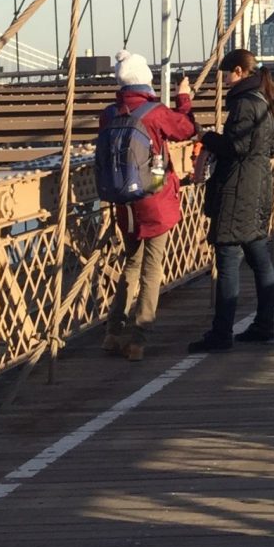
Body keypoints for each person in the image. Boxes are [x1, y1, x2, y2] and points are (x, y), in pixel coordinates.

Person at [96, 51, 198, 362]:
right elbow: (187, 130)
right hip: (154, 201)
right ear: (145, 81)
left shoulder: (109, 114)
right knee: (152, 271)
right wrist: (184, 100)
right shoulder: (155, 112)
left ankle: (112, 334)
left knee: (131, 265)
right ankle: (139, 340)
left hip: (123, 204)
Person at [189, 49, 274, 352]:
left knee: (227, 260)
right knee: (259, 258)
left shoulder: (243, 104)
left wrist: (206, 137)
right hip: (259, 186)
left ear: (240, 71)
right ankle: (264, 325)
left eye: (226, 74)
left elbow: (236, 146)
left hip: (237, 189)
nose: (224, 81)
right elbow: (270, 147)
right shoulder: (268, 100)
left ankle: (221, 334)